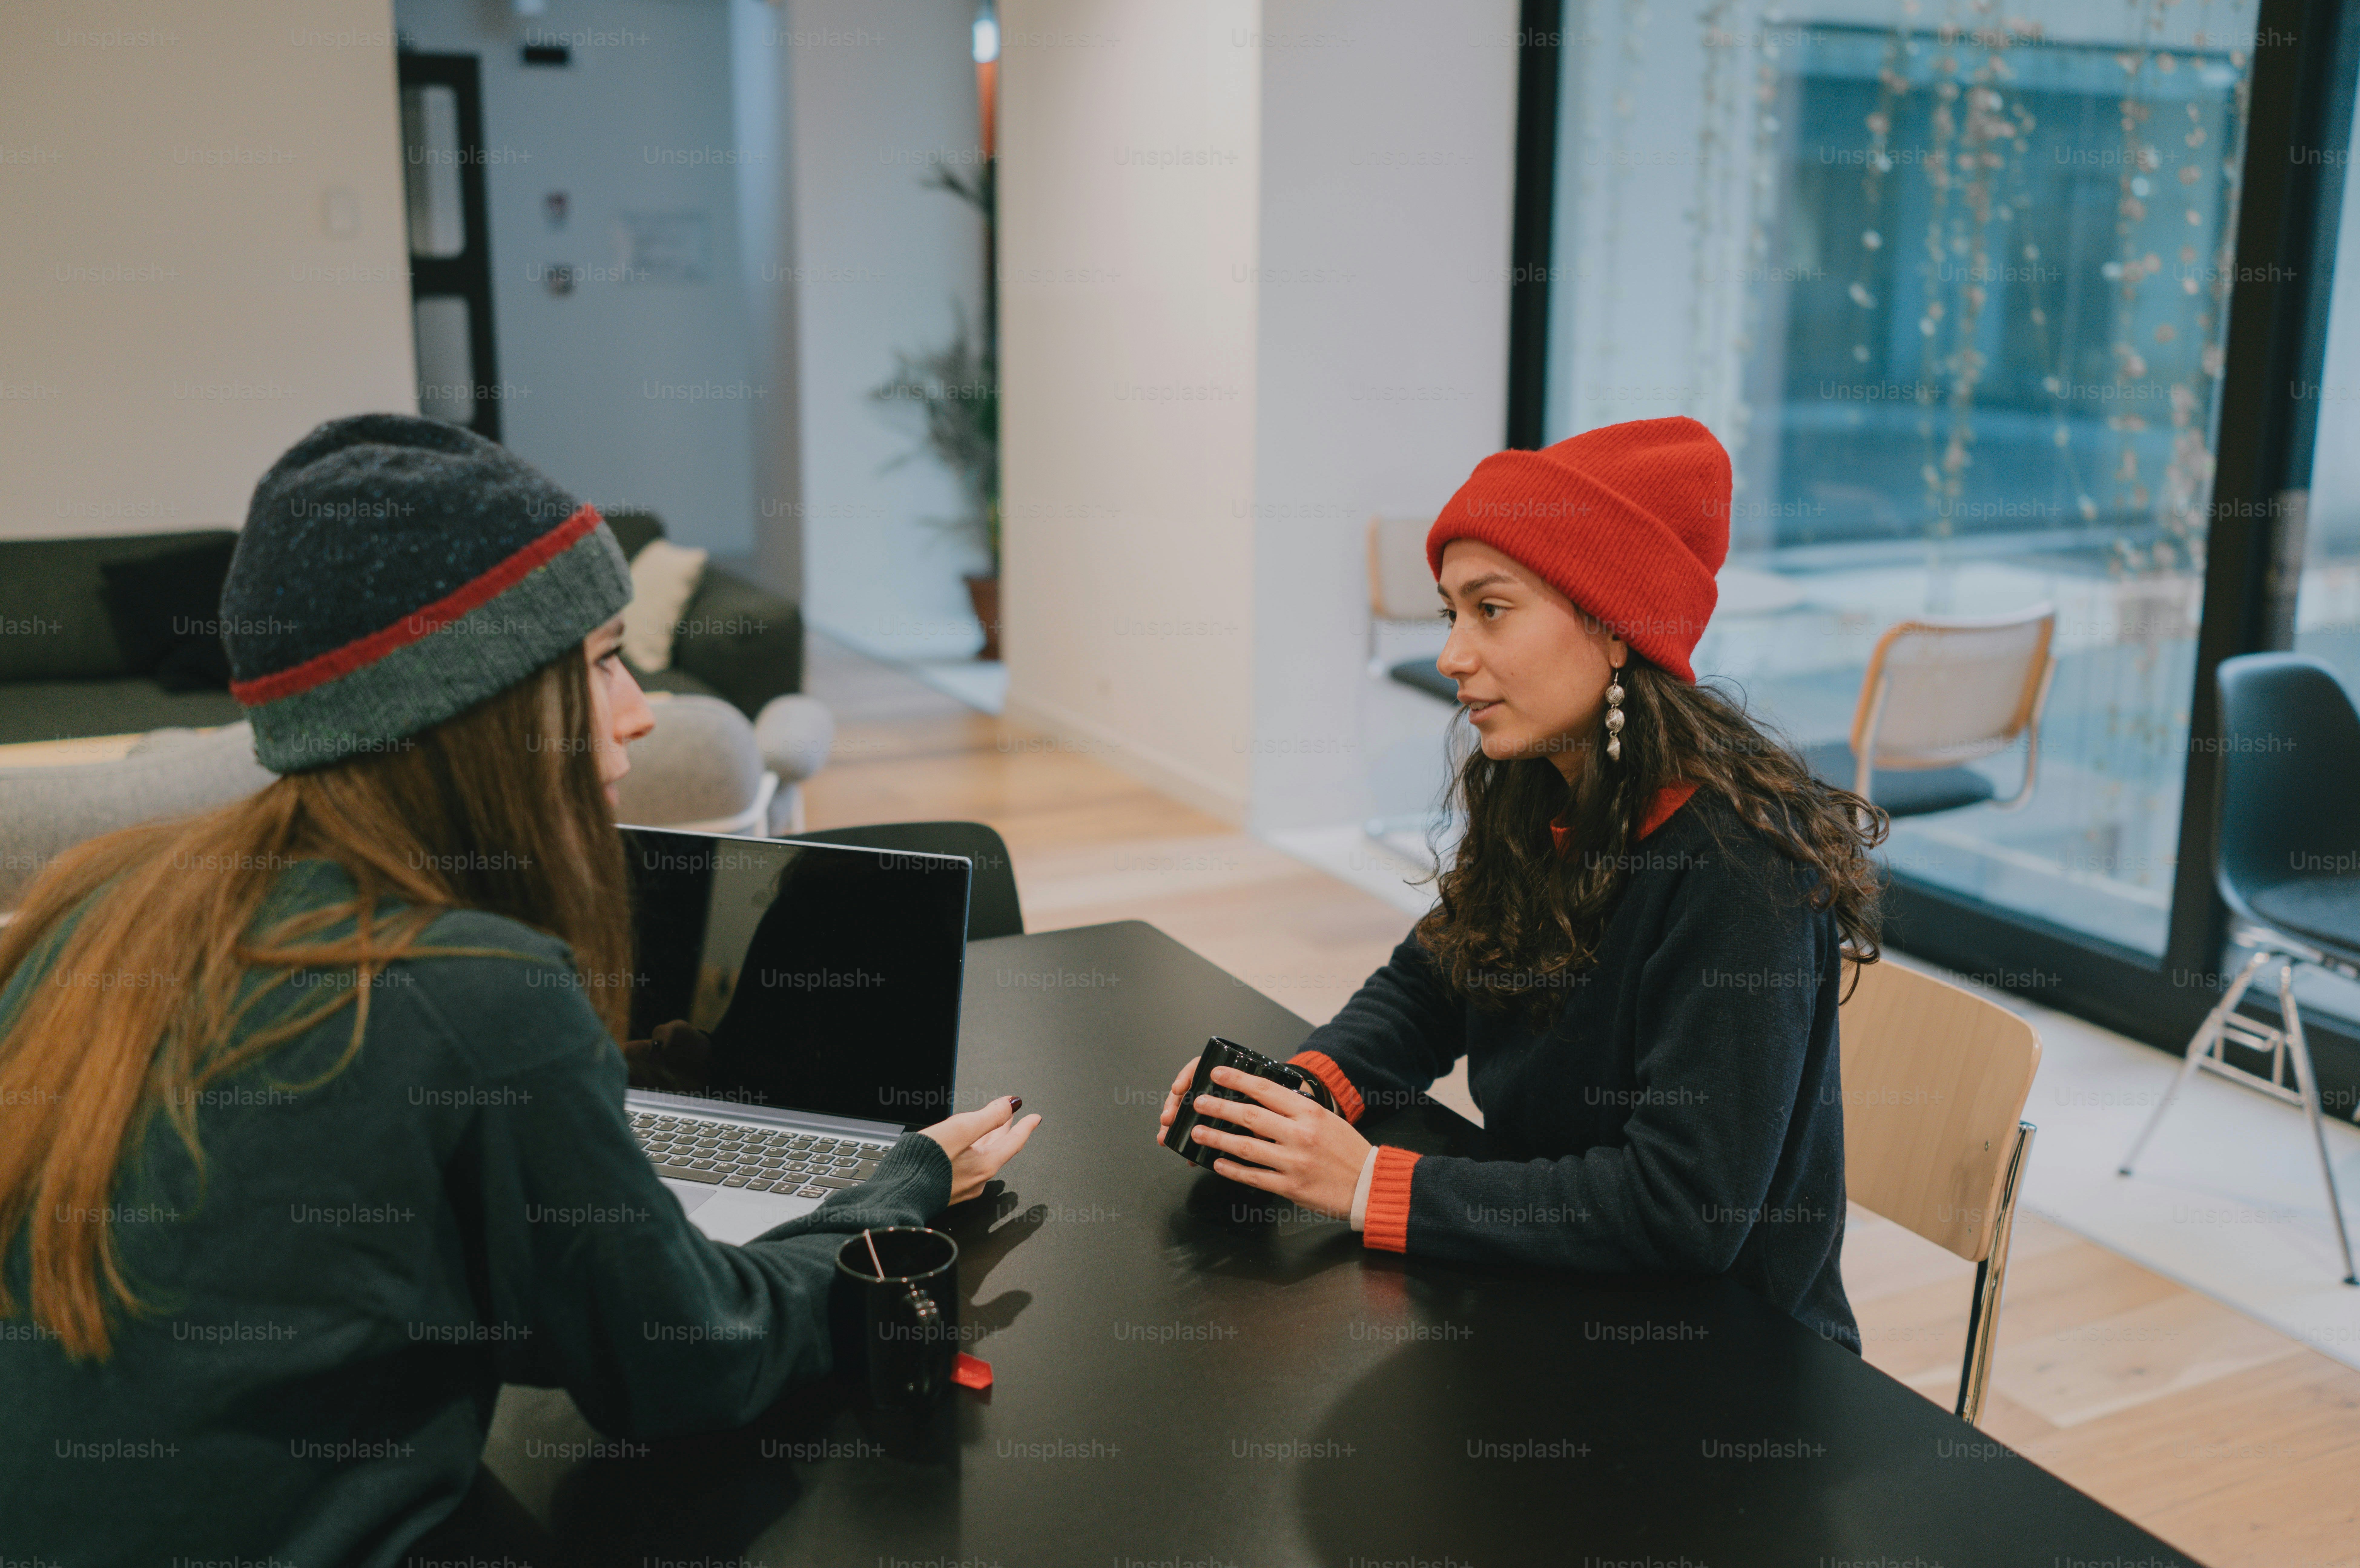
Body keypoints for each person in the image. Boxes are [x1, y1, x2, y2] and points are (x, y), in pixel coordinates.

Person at [0, 415, 1040, 1564]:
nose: (641, 706)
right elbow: (693, 1357)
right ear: (480, 703)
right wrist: (897, 1181)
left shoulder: (107, 902)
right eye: (601, 660)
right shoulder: (469, 989)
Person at [1157, 416, 1880, 1349]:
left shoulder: (1744, 868)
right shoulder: (1541, 779)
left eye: (1490, 610)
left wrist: (1367, 1181)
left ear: (1615, 627)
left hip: (1721, 1358)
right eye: (1450, 612)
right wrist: (1300, 1093)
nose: (1453, 654)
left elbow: (1683, 1209)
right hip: (1546, 1286)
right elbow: (1431, 985)